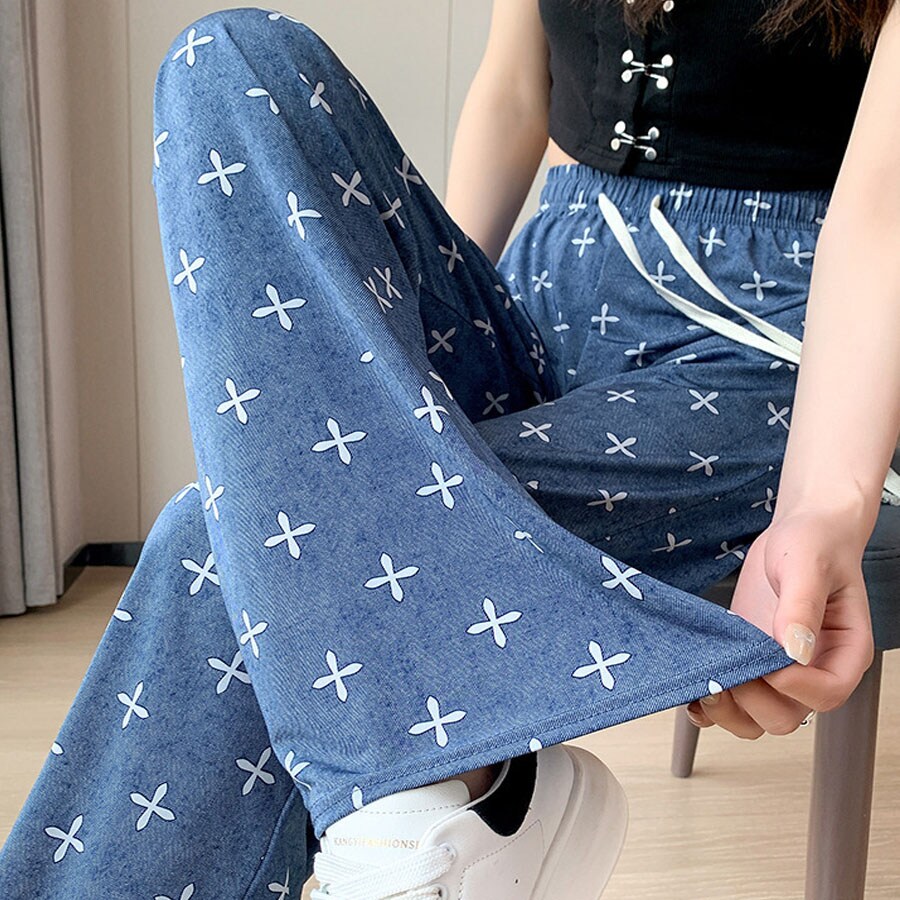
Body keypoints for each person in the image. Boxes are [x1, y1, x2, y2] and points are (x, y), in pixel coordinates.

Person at [2, 2, 899, 898]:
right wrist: (411, 367)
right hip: (547, 294)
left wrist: (827, 503)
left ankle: (432, 795)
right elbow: (515, 92)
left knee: (224, 537)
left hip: (783, 343)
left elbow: (887, 208)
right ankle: (445, 788)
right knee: (227, 59)